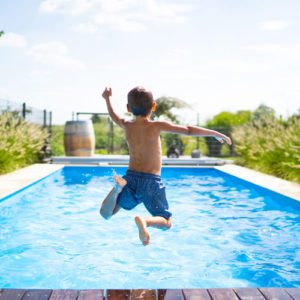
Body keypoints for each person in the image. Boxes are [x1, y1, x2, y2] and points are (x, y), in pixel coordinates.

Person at [99, 87, 232, 246]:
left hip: (130, 179)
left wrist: (107, 99)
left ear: (128, 108)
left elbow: (114, 116)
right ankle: (145, 221)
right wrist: (214, 133)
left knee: (107, 213)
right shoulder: (156, 126)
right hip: (151, 182)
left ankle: (116, 189)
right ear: (153, 106)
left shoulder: (127, 125)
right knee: (167, 222)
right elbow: (188, 130)